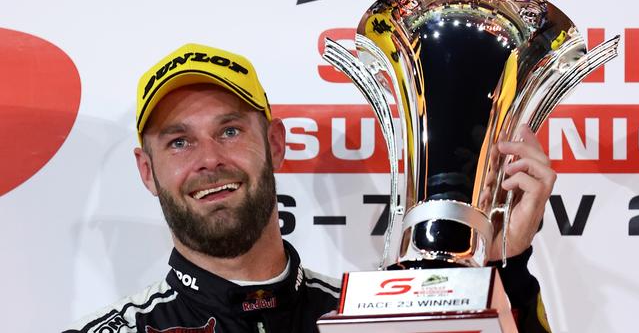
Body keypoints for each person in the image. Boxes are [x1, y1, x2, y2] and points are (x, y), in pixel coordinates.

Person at [64, 43, 554, 333]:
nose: (209, 159)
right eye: (178, 142)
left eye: (230, 131)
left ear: (275, 143)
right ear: (147, 172)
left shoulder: (371, 321)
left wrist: (500, 267)